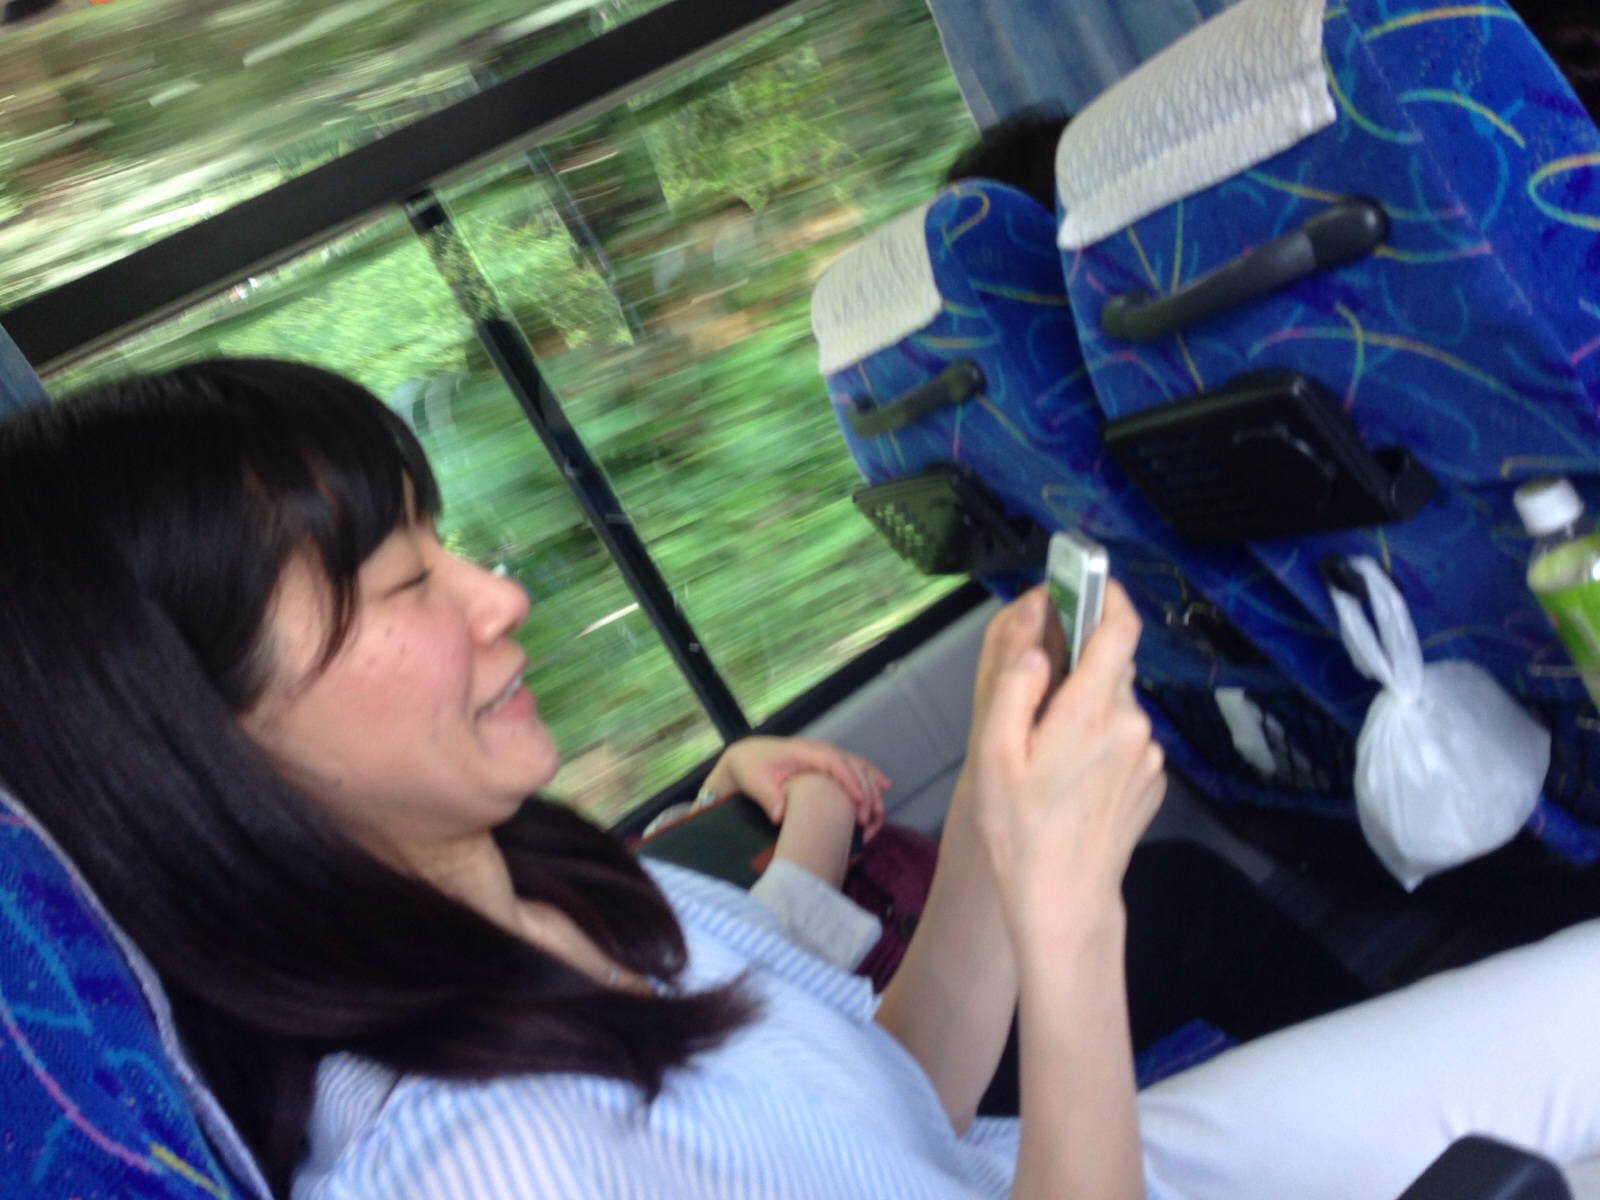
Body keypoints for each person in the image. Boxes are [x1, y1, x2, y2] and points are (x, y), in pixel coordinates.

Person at [3, 359, 1600, 1200]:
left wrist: (999, 818)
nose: (501, 596)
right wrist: (1070, 930)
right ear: (202, 744)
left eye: (444, 540)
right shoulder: (474, 1165)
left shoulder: (565, 885)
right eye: (406, 584)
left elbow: (890, 1106)